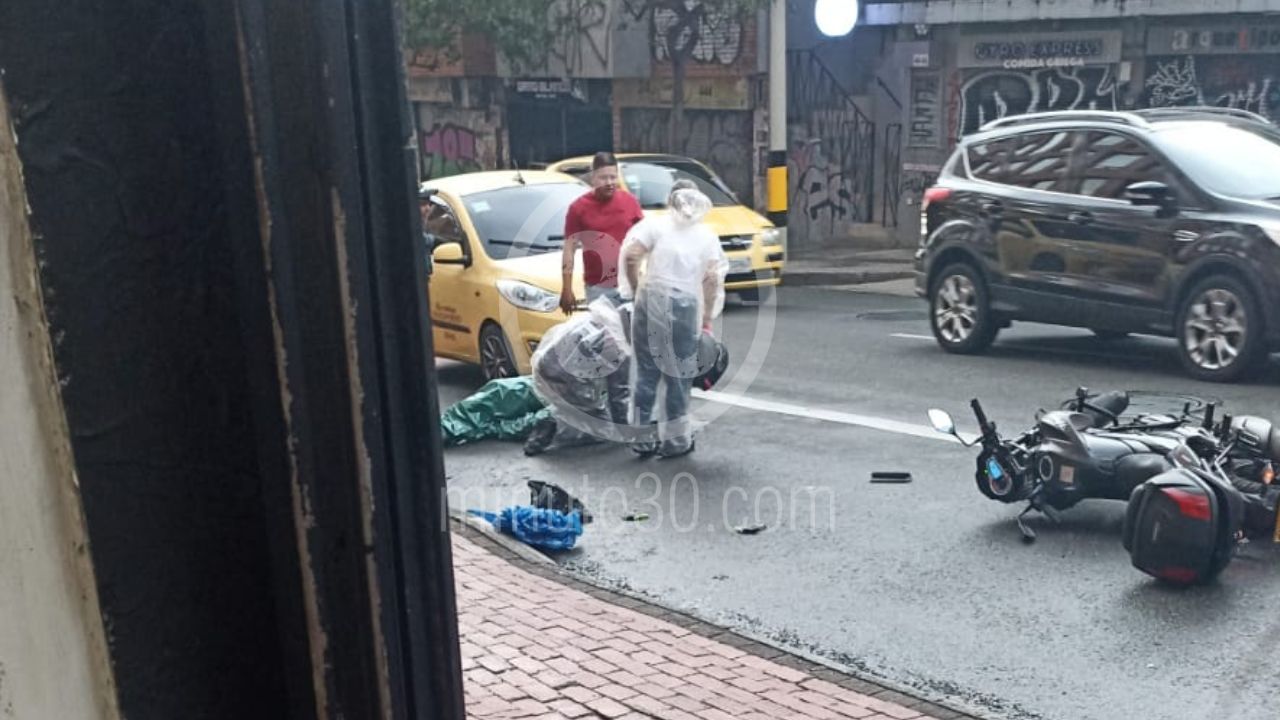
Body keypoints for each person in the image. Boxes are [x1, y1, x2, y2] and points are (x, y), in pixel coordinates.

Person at [619, 179, 728, 459]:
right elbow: (713, 277)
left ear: (671, 201)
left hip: (650, 298)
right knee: (678, 376)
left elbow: (632, 255)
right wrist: (706, 318)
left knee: (646, 372)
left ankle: (641, 439)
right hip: (684, 305)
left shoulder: (655, 225)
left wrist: (635, 289)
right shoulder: (706, 235)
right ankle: (676, 441)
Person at [560, 152, 644, 311]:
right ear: (593, 178)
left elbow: (646, 240)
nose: (609, 182)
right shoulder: (578, 208)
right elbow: (569, 249)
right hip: (598, 288)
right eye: (603, 178)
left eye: (613, 177)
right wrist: (566, 288)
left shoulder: (630, 202)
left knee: (631, 333)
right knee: (603, 334)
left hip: (630, 284)